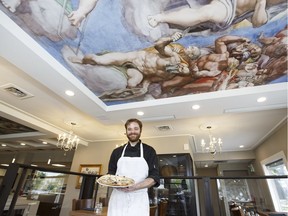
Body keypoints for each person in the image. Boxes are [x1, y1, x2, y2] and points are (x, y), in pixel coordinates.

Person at [107, 118, 160, 216]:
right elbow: (110, 174)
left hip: (139, 198)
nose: (132, 132)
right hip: (118, 197)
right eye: (129, 129)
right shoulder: (116, 152)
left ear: (140, 131)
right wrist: (117, 185)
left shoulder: (149, 151)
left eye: (136, 129)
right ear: (126, 131)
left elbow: (154, 177)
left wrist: (135, 187)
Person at [147, 0, 287, 32]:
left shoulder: (282, 3)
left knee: (206, 13)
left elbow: (258, 22)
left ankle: (161, 17)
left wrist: (261, 2)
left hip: (230, 9)